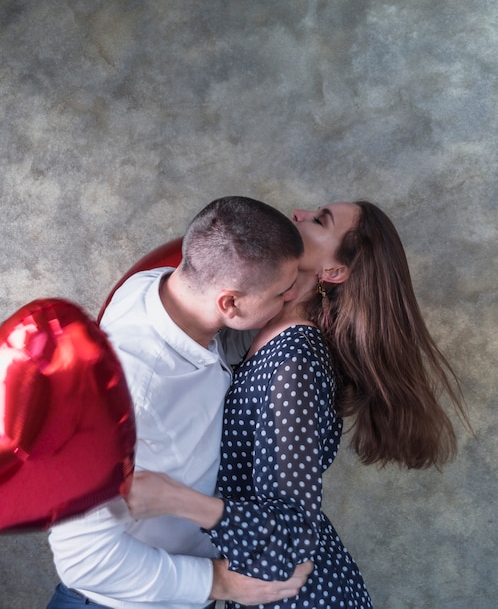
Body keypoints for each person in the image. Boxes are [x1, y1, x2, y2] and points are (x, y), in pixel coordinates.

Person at [125, 201, 469, 608]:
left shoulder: (295, 359)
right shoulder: (259, 330)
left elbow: (294, 535)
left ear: (334, 272)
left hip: (296, 596)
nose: (300, 213)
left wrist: (176, 501)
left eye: (321, 220)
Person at [46, 196, 312, 609]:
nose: (288, 299)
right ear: (230, 302)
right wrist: (219, 582)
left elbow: (225, 340)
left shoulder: (158, 287)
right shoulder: (128, 393)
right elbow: (82, 559)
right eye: (282, 293)